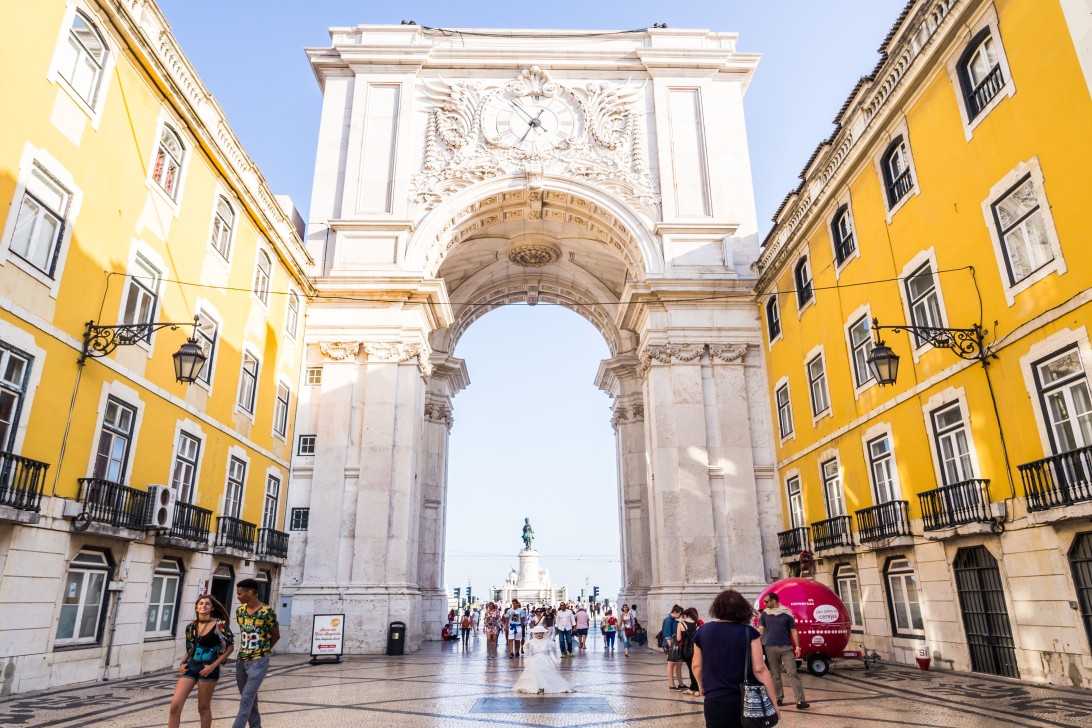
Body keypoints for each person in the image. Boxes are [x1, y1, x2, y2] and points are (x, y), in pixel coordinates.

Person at [692, 589, 779, 728]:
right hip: (745, 701)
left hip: (715, 699)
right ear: (742, 609)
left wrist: (702, 686)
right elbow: (760, 669)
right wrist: (773, 702)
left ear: (716, 608)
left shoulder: (703, 631)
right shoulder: (749, 632)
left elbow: (697, 665)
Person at [169, 594, 234, 728]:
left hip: (209, 667)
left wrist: (213, 666)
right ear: (196, 607)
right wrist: (182, 663)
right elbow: (190, 648)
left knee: (203, 707)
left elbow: (230, 647)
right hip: (191, 666)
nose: (203, 606)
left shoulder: (219, 625)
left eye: (207, 604)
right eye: (201, 604)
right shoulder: (191, 627)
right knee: (175, 706)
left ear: (212, 608)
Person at [233, 578, 280, 728]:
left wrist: (263, 651)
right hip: (241, 661)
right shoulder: (240, 611)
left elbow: (276, 635)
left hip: (259, 661)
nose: (238, 597)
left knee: (246, 698)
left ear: (250, 592)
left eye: (240, 594)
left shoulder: (267, 612)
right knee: (250, 700)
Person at [757, 592, 810, 709]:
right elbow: (760, 629)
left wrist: (798, 647)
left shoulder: (786, 614)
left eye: (767, 601)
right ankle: (778, 698)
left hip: (786, 648)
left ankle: (800, 701)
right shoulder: (765, 614)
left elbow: (794, 630)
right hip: (770, 647)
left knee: (793, 673)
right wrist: (754, 641)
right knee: (775, 676)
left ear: (774, 601)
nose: (765, 603)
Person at [513, 626, 574, 694]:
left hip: (545, 659)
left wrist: (555, 660)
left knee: (546, 673)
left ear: (543, 633)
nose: (538, 635)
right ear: (534, 634)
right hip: (534, 659)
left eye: (540, 633)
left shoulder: (548, 642)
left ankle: (544, 687)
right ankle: (537, 687)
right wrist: (527, 652)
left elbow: (551, 652)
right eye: (536, 633)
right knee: (535, 671)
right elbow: (529, 654)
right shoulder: (531, 642)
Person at [677, 607, 700, 695]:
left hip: (685, 650)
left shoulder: (681, 624)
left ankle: (696, 689)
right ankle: (692, 688)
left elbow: (679, 638)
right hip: (696, 649)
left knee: (691, 669)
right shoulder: (697, 624)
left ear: (686, 615)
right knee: (694, 668)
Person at [663, 605, 684, 690]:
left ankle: (681, 683)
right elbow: (667, 635)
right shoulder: (668, 620)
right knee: (671, 664)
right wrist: (671, 647)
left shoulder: (673, 620)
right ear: (675, 612)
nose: (680, 616)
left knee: (678, 663)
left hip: (674, 644)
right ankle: (672, 685)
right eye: (680, 614)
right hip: (670, 644)